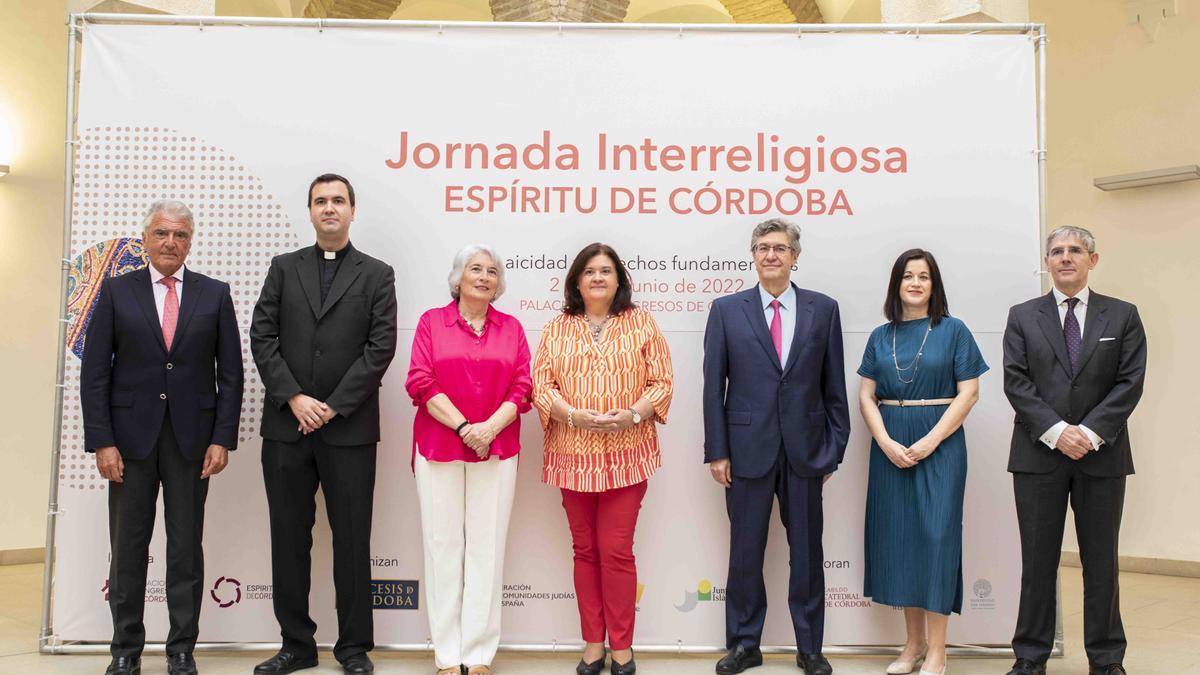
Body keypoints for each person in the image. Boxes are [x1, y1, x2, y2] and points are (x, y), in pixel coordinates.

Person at [81, 200, 244, 675]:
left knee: (185, 548)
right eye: (162, 234)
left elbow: (229, 374)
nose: (171, 243)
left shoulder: (214, 294)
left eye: (180, 235)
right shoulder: (115, 292)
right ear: (146, 239)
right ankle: (125, 650)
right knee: (128, 548)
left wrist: (222, 438)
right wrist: (102, 441)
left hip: (193, 443)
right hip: (128, 444)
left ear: (190, 241)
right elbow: (95, 375)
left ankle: (180, 649)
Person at [249, 173, 398, 675]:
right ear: (310, 211)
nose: (329, 208)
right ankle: (296, 645)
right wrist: (293, 396)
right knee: (289, 538)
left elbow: (381, 348)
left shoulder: (377, 274)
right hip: (287, 427)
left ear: (353, 211)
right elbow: (262, 335)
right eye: (320, 201)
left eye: (338, 200)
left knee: (352, 539)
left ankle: (354, 647)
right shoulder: (283, 268)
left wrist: (331, 405)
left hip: (349, 430)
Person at [702, 218, 850, 675]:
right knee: (746, 551)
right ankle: (745, 644)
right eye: (763, 247)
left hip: (807, 452)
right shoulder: (726, 310)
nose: (771, 255)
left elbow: (834, 387)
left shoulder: (823, 310)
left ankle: (810, 647)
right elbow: (713, 388)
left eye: (780, 248)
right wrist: (718, 450)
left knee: (807, 553)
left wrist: (834, 448)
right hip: (746, 451)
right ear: (753, 254)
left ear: (795, 256)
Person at [1003, 226, 1146, 675]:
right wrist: (1057, 431)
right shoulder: (1022, 315)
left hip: (1101, 456)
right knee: (1038, 563)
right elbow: (1016, 381)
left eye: (1075, 251)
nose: (1066, 258)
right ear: (1047, 262)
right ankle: (1029, 657)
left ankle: (1106, 659)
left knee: (1102, 562)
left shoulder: (1122, 316)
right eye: (1057, 251)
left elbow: (1130, 383)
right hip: (1038, 455)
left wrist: (1088, 432)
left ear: (1092, 260)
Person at [532, 242, 673, 675]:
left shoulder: (642, 323)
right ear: (577, 280)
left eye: (606, 271)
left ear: (619, 280)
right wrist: (571, 414)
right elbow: (541, 386)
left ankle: (623, 647)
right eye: (590, 271)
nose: (597, 277)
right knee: (585, 550)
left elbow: (662, 382)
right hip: (571, 455)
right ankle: (594, 643)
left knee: (615, 551)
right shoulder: (557, 328)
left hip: (627, 456)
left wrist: (632, 414)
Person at [856, 249, 988, 675]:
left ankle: (938, 650)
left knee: (936, 540)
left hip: (941, 443)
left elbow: (969, 393)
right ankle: (911, 645)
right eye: (908, 276)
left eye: (924, 276)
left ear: (935, 285)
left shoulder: (954, 331)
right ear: (896, 284)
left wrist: (931, 440)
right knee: (900, 542)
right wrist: (885, 441)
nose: (915, 283)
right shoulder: (880, 335)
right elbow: (865, 395)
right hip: (890, 446)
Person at [404, 244, 532, 675]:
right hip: (439, 448)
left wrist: (488, 429)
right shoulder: (430, 322)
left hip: (496, 450)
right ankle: (446, 654)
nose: (483, 277)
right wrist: (464, 428)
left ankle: (477, 655)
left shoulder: (511, 328)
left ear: (498, 284)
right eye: (475, 269)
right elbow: (419, 381)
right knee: (443, 548)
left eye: (492, 271)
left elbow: (523, 386)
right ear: (457, 279)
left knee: (486, 548)